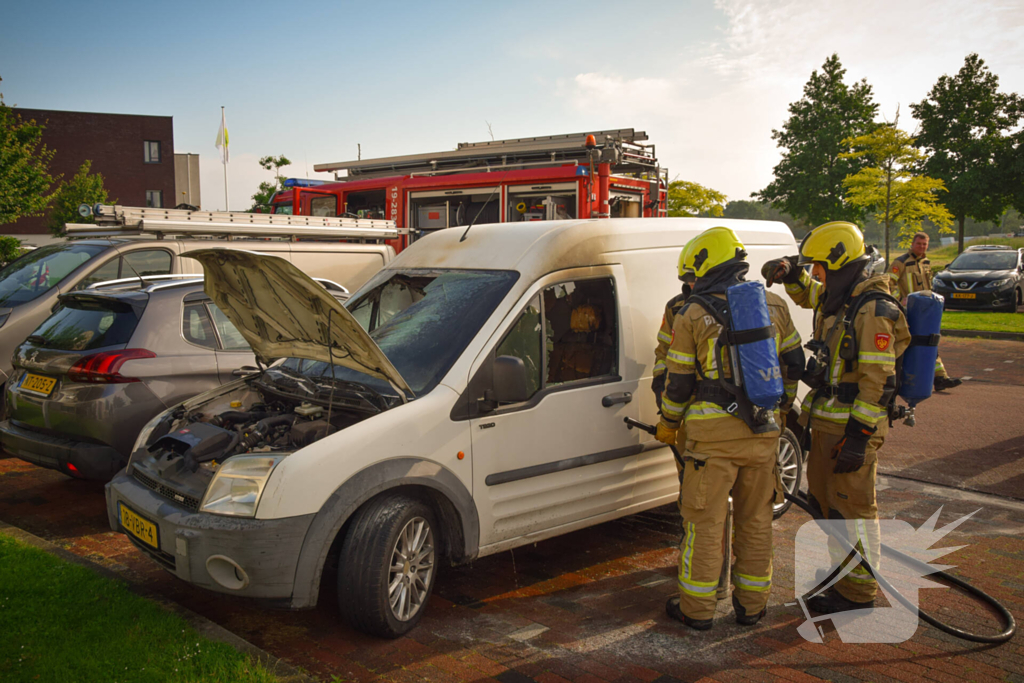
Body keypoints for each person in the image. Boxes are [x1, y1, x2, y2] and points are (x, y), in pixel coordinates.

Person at [656, 227, 803, 630]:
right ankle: (752, 607)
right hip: (763, 433)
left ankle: (698, 610)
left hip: (713, 442)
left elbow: (680, 381)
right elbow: (794, 363)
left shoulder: (691, 313)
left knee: (704, 524)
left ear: (705, 268)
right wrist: (782, 409)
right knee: (756, 523)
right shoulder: (772, 304)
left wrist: (668, 423)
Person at [762, 222, 911, 614]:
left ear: (841, 263)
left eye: (820, 268)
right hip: (828, 424)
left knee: (853, 512)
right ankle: (840, 576)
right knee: (828, 506)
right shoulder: (845, 298)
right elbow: (815, 298)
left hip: (851, 429)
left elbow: (877, 379)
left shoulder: (873, 309)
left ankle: (858, 594)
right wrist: (791, 274)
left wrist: (860, 435)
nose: (816, 275)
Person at [890, 232, 961, 391]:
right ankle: (895, 378)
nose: (921, 247)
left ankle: (940, 377)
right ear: (912, 244)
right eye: (919, 244)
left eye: (924, 244)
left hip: (924, 312)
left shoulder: (926, 262)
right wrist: (900, 299)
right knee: (906, 344)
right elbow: (889, 283)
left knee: (929, 341)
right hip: (907, 312)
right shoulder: (900, 262)